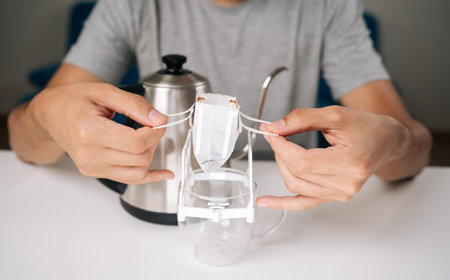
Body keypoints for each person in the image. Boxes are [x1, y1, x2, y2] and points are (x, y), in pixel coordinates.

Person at [7, 0, 431, 212]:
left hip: (266, 207)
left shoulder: (326, 7)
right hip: (159, 206)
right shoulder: (131, 5)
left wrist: (392, 139)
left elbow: (413, 147)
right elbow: (25, 141)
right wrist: (47, 114)